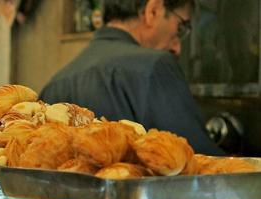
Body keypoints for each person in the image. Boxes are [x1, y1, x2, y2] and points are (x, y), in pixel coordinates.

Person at [39, 0, 225, 155]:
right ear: (153, 10)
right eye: (181, 27)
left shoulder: (54, 85)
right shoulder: (155, 67)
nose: (178, 48)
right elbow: (201, 166)